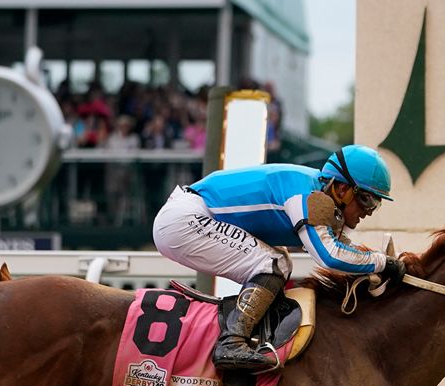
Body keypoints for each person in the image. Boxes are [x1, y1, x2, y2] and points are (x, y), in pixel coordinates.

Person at [153, 144, 402, 370]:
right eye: (366, 200)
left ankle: (248, 334)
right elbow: (331, 256)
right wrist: (382, 262)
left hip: (189, 214)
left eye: (375, 204)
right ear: (342, 189)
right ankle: (231, 342)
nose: (369, 212)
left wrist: (376, 263)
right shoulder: (308, 197)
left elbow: (343, 248)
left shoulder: (318, 193)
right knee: (274, 263)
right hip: (185, 219)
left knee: (278, 260)